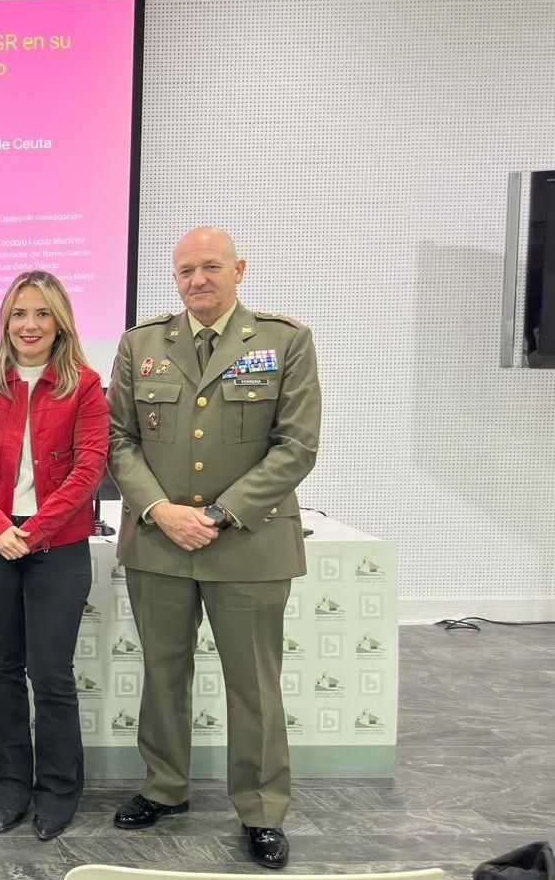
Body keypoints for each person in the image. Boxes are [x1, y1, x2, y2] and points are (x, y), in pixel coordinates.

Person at [107, 226, 320, 869]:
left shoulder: (285, 342)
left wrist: (222, 515)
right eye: (184, 271)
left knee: (253, 684)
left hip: (248, 545)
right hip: (159, 541)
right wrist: (160, 511)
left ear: (239, 270)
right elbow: (120, 441)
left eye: (210, 267)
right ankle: (165, 786)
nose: (197, 280)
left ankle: (261, 809)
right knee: (163, 673)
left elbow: (296, 447)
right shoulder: (141, 344)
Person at [0, 271, 108, 841]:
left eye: (42, 314)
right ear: (5, 322)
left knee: (52, 674)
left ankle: (58, 791)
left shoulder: (85, 386)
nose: (30, 325)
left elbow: (89, 469)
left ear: (59, 321)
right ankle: (10, 786)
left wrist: (33, 530)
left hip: (57, 546)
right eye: (19, 314)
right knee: (2, 667)